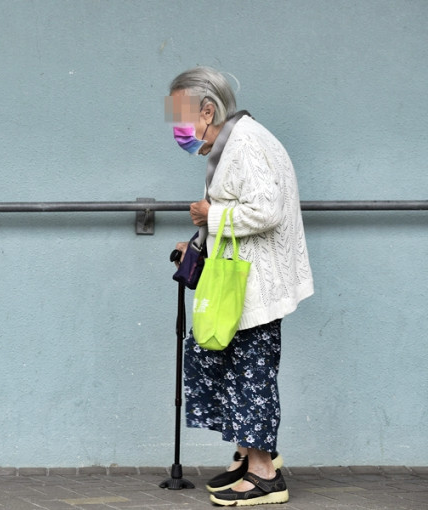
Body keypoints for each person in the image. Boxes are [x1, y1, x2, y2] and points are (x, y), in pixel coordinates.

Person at [165, 66, 314, 506]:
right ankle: (249, 459)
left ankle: (267, 475)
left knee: (251, 374)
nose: (177, 128)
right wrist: (199, 241)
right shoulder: (232, 143)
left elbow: (265, 211)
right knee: (230, 371)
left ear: (207, 110)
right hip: (239, 281)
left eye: (181, 116)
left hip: (255, 285)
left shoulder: (246, 143)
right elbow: (234, 207)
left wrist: (210, 218)